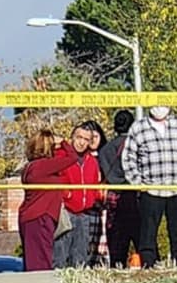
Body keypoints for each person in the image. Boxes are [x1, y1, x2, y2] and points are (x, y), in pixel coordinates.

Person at [123, 106, 177, 268]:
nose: (160, 108)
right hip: (150, 191)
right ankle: (148, 269)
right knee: (147, 238)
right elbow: (128, 158)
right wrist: (137, 183)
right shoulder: (138, 128)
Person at [17, 129, 77, 271]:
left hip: (30, 217)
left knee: (33, 260)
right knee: (41, 262)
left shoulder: (30, 167)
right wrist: (63, 142)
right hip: (40, 217)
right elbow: (72, 158)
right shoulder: (43, 166)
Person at [53, 120, 104, 269]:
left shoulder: (92, 161)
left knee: (81, 257)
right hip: (66, 212)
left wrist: (92, 198)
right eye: (79, 137)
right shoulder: (61, 156)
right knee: (60, 255)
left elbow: (94, 183)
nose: (82, 142)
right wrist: (66, 195)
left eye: (86, 139)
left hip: (85, 213)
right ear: (72, 137)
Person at [99, 109, 140, 268]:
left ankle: (116, 269)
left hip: (113, 198)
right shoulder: (136, 147)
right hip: (135, 197)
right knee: (142, 242)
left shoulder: (105, 150)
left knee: (116, 246)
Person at [86, 122, 109, 266]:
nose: (93, 140)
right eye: (90, 137)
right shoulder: (82, 159)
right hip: (88, 207)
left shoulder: (106, 156)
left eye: (96, 136)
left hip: (104, 207)